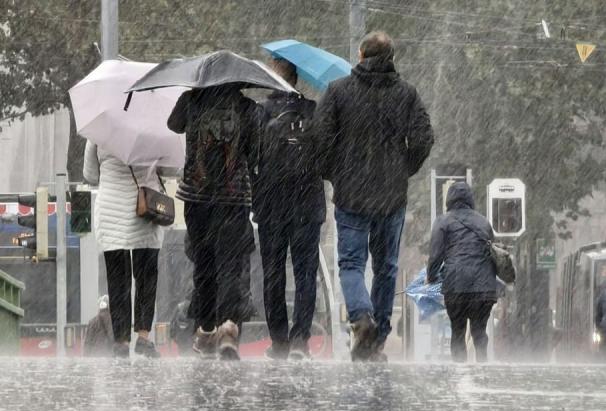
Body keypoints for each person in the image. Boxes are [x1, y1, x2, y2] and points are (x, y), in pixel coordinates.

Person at [315, 31, 434, 361]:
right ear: (392, 57)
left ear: (361, 56)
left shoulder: (338, 91)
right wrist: (402, 170)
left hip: (351, 193)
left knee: (351, 263)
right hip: (391, 197)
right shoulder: (406, 94)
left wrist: (335, 172)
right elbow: (424, 139)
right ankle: (378, 335)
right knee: (386, 267)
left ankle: (360, 317)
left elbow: (320, 139)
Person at [167, 84, 259, 360]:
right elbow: (255, 150)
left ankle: (206, 330)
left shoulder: (191, 100)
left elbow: (173, 125)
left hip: (197, 197)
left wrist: (193, 98)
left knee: (204, 265)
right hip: (234, 198)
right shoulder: (247, 107)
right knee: (230, 266)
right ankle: (228, 327)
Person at [252, 59, 324, 360]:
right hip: (307, 204)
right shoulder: (313, 110)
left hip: (271, 205)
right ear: (296, 79)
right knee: (306, 273)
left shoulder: (261, 112)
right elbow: (326, 154)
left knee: (273, 273)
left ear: (271, 79)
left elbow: (252, 157)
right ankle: (300, 339)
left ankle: (279, 339)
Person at [83, 140, 163, 358]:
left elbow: (90, 175)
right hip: (145, 207)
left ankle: (121, 340)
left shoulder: (100, 131)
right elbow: (173, 169)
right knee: (146, 277)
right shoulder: (153, 130)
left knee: (118, 280)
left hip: (111, 211)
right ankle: (144, 337)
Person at [427, 182, 497, 363]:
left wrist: (432, 277)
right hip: (484, 288)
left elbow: (436, 255)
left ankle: (459, 370)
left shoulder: (443, 222)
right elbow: (492, 253)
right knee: (479, 330)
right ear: (470, 199)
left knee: (457, 330)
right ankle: (483, 366)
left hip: (456, 285)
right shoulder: (484, 222)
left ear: (449, 199)